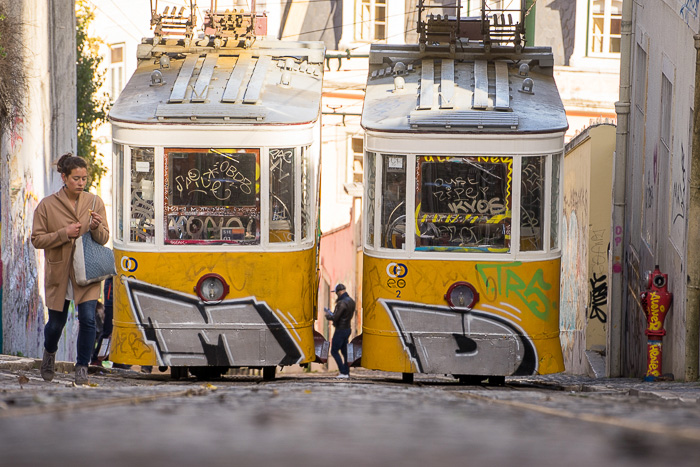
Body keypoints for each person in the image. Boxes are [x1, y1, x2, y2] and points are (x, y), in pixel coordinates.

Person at [31, 153, 110, 386]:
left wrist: (95, 228)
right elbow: (37, 239)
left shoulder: (95, 202)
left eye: (84, 178)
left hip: (87, 272)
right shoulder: (47, 205)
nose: (81, 183)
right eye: (76, 178)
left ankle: (82, 367)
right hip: (60, 273)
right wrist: (63, 234)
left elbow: (104, 238)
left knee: (87, 320)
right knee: (56, 323)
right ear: (64, 177)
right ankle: (49, 354)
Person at [325, 283, 355, 379]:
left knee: (334, 351)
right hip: (347, 328)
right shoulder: (351, 301)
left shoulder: (342, 303)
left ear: (339, 291)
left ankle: (343, 371)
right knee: (344, 351)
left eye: (336, 292)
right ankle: (346, 372)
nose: (336, 294)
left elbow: (336, 317)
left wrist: (328, 315)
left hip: (340, 330)